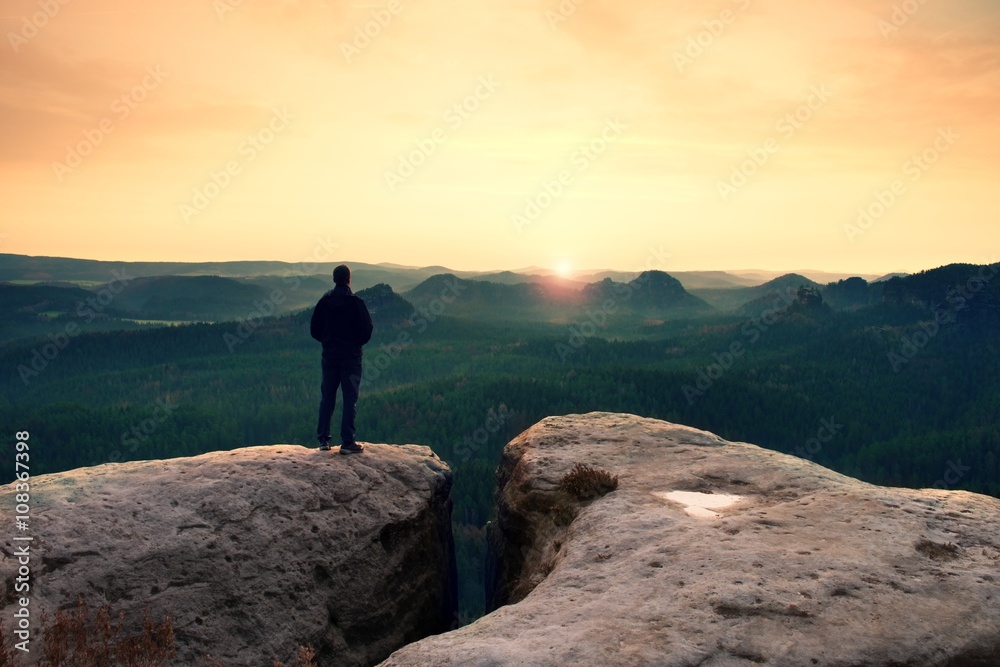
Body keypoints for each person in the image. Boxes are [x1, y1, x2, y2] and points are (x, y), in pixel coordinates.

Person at [310, 264, 373, 454]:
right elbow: (367, 330)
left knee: (327, 398)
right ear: (349, 280)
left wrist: (327, 342)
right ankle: (347, 442)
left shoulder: (325, 302)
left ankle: (323, 440)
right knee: (349, 399)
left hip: (329, 357)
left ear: (333, 279)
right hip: (351, 358)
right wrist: (355, 344)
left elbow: (314, 330)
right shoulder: (356, 303)